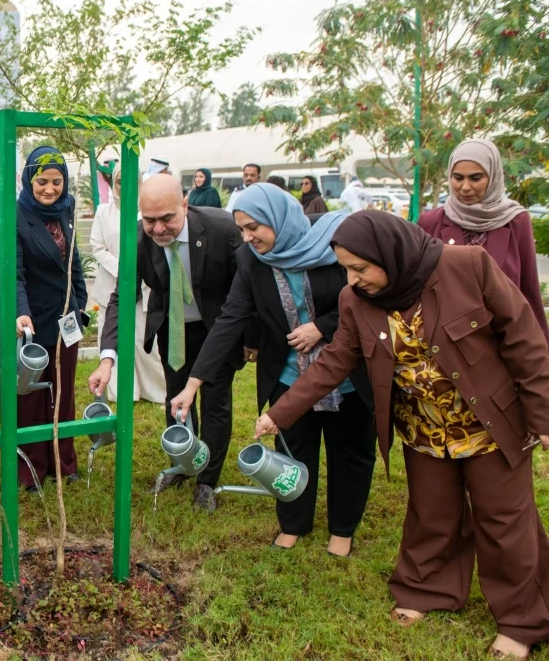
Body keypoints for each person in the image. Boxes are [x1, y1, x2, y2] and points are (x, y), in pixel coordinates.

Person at [255, 211, 549, 660]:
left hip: (489, 424)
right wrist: (281, 413)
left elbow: (524, 341)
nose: (351, 281)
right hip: (422, 429)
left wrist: (544, 417)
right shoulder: (357, 301)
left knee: (504, 522)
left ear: (388, 253)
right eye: (345, 270)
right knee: (432, 515)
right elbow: (336, 359)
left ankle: (521, 619)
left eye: (358, 268)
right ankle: (428, 589)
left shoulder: (467, 266)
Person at [170, 184, 374, 554]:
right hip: (288, 375)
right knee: (292, 452)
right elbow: (230, 319)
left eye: (254, 228)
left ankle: (342, 530)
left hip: (346, 376)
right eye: (241, 230)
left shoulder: (334, 243)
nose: (247, 238)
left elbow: (364, 299)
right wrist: (193, 384)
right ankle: (294, 523)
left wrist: (322, 327)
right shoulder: (251, 260)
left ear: (277, 218)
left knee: (350, 452)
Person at [88, 173, 245, 511]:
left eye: (167, 218)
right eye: (149, 220)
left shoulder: (222, 229)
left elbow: (244, 290)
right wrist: (107, 357)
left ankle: (207, 481)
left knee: (215, 403)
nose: (158, 229)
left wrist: (250, 338)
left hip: (217, 329)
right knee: (176, 399)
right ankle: (185, 462)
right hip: (173, 328)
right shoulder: (138, 240)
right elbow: (121, 297)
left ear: (185, 205)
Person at [2, 146, 88, 490]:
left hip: (65, 320)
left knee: (64, 392)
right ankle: (31, 467)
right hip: (31, 322)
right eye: (42, 182)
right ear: (29, 179)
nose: (50, 189)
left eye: (57, 181)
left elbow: (74, 263)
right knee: (31, 397)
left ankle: (63, 463)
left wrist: (79, 304)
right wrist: (20, 310)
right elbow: (14, 273)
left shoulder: (67, 211)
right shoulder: (17, 215)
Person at [419, 138, 549, 342]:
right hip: (446, 346)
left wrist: (542, 348)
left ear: (493, 176)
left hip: (502, 342)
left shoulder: (516, 220)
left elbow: (528, 289)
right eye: (458, 177)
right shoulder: (430, 222)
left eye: (476, 178)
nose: (465, 187)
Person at [89, 165, 166, 403]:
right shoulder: (104, 211)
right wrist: (123, 270)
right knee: (113, 337)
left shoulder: (148, 212)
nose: (127, 186)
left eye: (134, 180)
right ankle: (121, 390)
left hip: (145, 288)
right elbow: (97, 247)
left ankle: (153, 390)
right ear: (114, 182)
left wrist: (137, 272)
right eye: (122, 181)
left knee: (146, 344)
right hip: (111, 285)